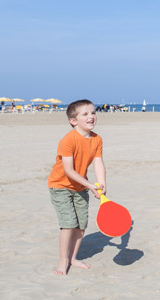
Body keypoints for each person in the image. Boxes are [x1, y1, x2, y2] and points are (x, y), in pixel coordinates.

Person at [46, 99, 107, 275]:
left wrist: (101, 184)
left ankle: (73, 257)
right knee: (69, 224)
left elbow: (98, 163)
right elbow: (68, 170)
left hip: (80, 187)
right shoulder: (68, 140)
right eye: (85, 114)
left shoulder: (97, 139)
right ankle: (63, 260)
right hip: (60, 186)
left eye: (93, 112)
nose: (91, 116)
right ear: (73, 120)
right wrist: (90, 185)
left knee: (81, 224)